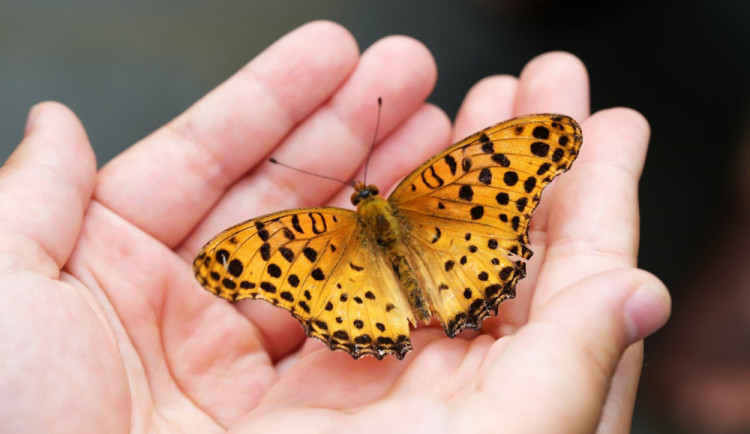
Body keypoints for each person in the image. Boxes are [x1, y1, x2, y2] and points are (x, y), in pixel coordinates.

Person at [0, 21, 670, 433]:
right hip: (462, 255)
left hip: (361, 299)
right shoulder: (436, 184)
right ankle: (458, 299)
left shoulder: (306, 233)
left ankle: (403, 319)